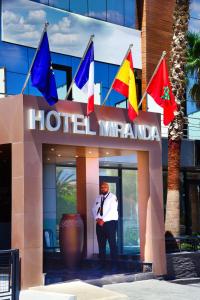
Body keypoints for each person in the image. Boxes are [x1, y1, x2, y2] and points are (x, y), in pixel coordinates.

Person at [92, 182, 118, 268]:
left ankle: (114, 265)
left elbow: (112, 210)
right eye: (102, 187)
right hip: (99, 223)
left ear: (108, 188)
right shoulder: (98, 198)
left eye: (105, 187)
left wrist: (103, 220)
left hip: (110, 223)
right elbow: (93, 209)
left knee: (112, 244)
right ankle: (102, 264)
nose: (103, 188)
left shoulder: (112, 197)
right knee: (101, 244)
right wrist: (97, 218)